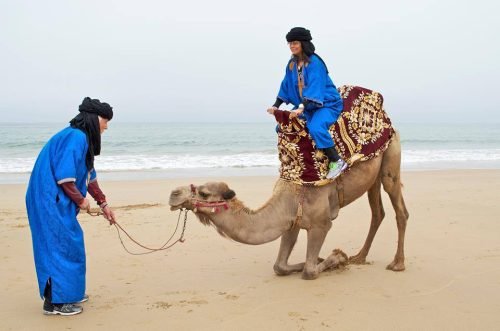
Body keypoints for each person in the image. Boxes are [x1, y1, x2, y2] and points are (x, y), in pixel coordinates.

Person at [25, 97, 116, 316]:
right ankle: (54, 304)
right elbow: (65, 178)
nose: (106, 126)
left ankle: (67, 293)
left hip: (56, 200)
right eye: (105, 120)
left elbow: (89, 178)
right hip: (47, 200)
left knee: (70, 244)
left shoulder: (82, 139)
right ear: (94, 119)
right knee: (58, 246)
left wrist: (103, 204)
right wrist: (81, 200)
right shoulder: (75, 137)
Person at [267, 27, 347, 179]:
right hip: (305, 106)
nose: (292, 46)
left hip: (326, 104)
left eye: (295, 42)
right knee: (282, 126)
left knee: (316, 127)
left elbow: (316, 87)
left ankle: (336, 161)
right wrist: (276, 105)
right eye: (290, 43)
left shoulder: (315, 63)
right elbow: (286, 85)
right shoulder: (292, 64)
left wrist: (301, 107)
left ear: (303, 43)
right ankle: (300, 159)